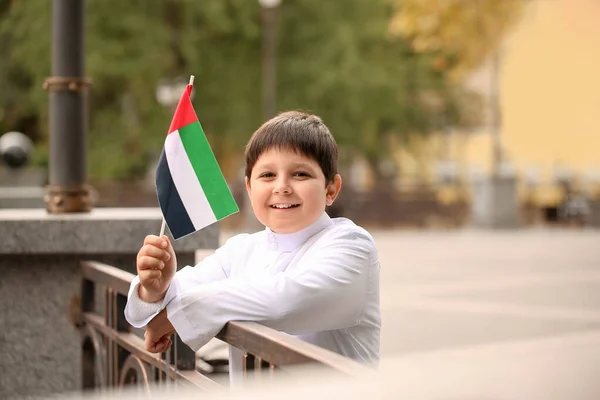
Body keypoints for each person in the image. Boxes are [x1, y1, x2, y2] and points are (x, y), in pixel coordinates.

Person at [124, 111, 381, 379]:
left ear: (331, 189)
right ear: (249, 187)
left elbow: (287, 302)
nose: (282, 187)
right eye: (268, 175)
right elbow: (153, 305)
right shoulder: (242, 250)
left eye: (300, 174)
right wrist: (155, 289)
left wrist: (179, 315)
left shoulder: (352, 246)